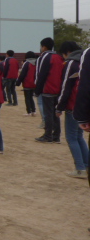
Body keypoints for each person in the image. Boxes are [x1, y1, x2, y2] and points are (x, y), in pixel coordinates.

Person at [55, 41, 88, 178]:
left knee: (71, 138)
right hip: (82, 106)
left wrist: (59, 107)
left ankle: (80, 168)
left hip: (72, 106)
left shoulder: (71, 63)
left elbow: (66, 87)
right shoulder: (84, 61)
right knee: (79, 137)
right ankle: (87, 166)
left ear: (67, 52)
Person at [35, 37, 64, 143]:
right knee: (55, 113)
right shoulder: (59, 57)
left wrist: (37, 90)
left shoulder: (44, 57)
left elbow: (41, 74)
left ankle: (48, 136)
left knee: (48, 114)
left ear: (44, 47)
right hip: (58, 89)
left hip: (48, 89)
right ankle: (56, 136)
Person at [16, 51, 38, 116]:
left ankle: (29, 112)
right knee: (31, 98)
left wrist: (18, 82)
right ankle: (33, 111)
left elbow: (23, 74)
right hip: (34, 83)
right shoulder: (37, 63)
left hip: (27, 83)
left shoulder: (26, 63)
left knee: (27, 98)